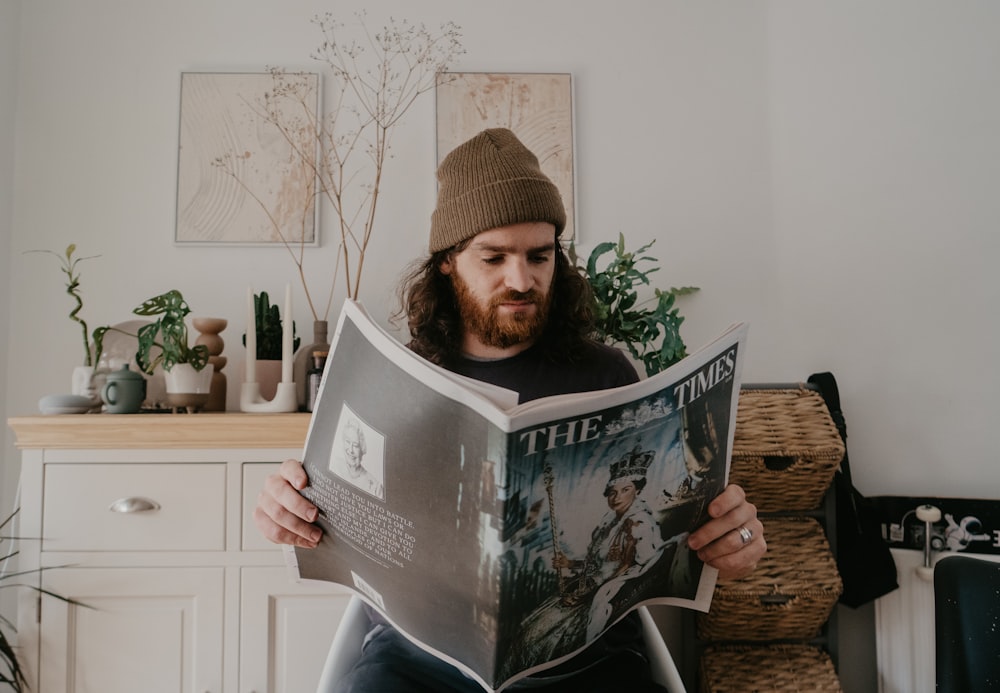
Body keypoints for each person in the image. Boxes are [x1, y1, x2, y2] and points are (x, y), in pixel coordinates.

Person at [254, 127, 766, 692]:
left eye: (538, 256)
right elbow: (336, 517)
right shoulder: (394, 383)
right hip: (417, 663)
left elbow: (692, 532)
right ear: (448, 262)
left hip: (587, 665)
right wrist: (290, 510)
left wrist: (735, 539)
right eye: (494, 257)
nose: (521, 280)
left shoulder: (607, 376)